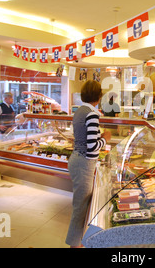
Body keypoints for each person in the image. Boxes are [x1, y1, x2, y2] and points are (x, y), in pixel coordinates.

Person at [65, 80, 111, 248]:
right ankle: (75, 244)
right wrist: (105, 139)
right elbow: (92, 146)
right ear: (98, 97)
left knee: (81, 204)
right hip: (84, 162)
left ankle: (78, 242)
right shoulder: (92, 114)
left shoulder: (79, 111)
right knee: (80, 207)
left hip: (77, 159)